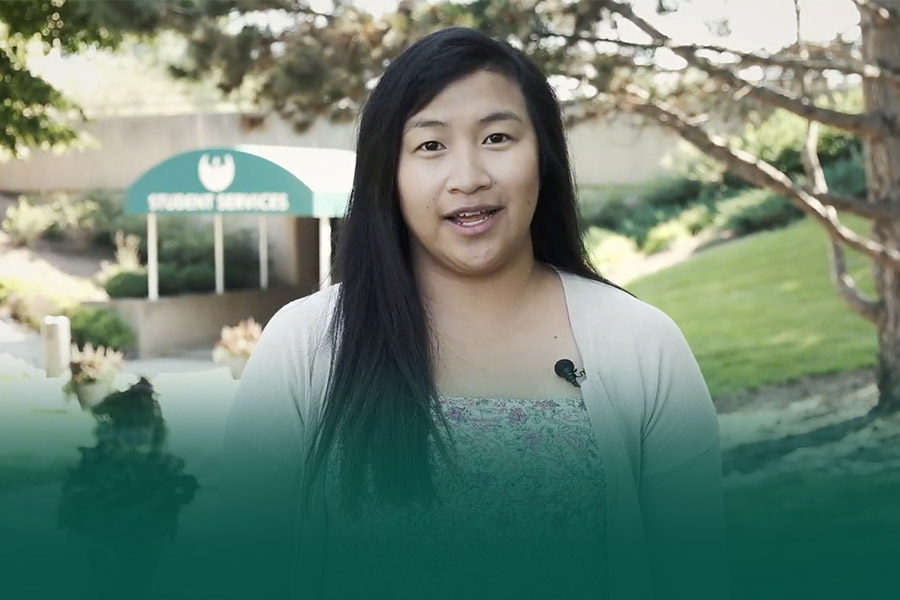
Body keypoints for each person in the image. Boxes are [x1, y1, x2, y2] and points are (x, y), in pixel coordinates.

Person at [217, 26, 729, 600]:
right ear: (390, 174)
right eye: (430, 146)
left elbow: (694, 572)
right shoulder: (306, 345)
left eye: (498, 138)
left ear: (546, 156)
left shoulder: (642, 345)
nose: (469, 178)